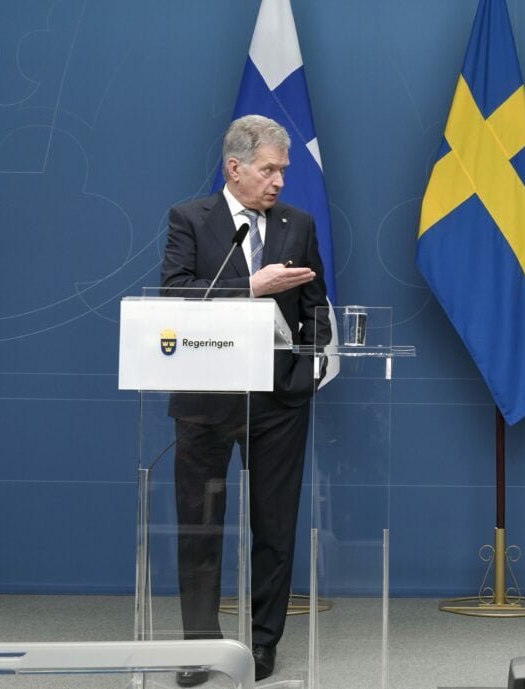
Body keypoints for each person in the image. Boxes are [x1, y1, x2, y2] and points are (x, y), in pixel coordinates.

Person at [161, 114, 331, 686]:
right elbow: (175, 294)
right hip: (206, 401)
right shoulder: (190, 219)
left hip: (279, 403)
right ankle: (200, 649)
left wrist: (308, 370)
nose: (279, 181)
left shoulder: (297, 224)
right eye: (269, 170)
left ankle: (262, 644)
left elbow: (317, 308)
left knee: (275, 530)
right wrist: (252, 287)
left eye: (283, 170)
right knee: (200, 528)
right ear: (234, 168)